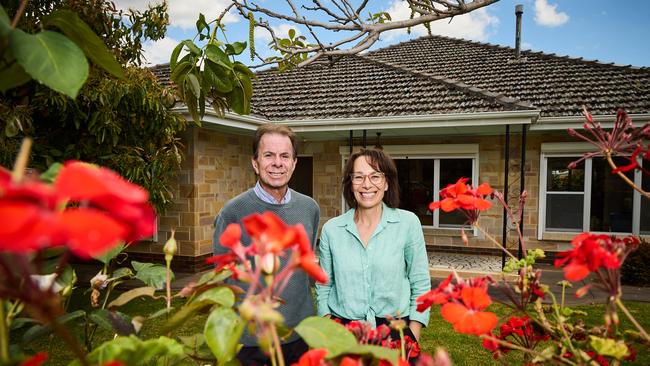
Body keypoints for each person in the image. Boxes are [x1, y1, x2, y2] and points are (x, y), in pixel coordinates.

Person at [213, 123, 320, 366]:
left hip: (298, 334)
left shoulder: (309, 208)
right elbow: (221, 277)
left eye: (285, 156)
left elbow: (304, 267)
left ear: (294, 163)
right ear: (255, 162)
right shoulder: (233, 212)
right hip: (251, 339)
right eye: (268, 155)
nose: (277, 163)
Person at [315, 148, 431, 342]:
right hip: (343, 332)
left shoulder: (408, 224)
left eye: (375, 176)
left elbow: (420, 283)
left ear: (386, 183)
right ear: (351, 183)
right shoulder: (332, 230)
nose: (366, 184)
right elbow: (324, 284)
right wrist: (328, 323)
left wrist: (414, 331)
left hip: (395, 331)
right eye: (358, 177)